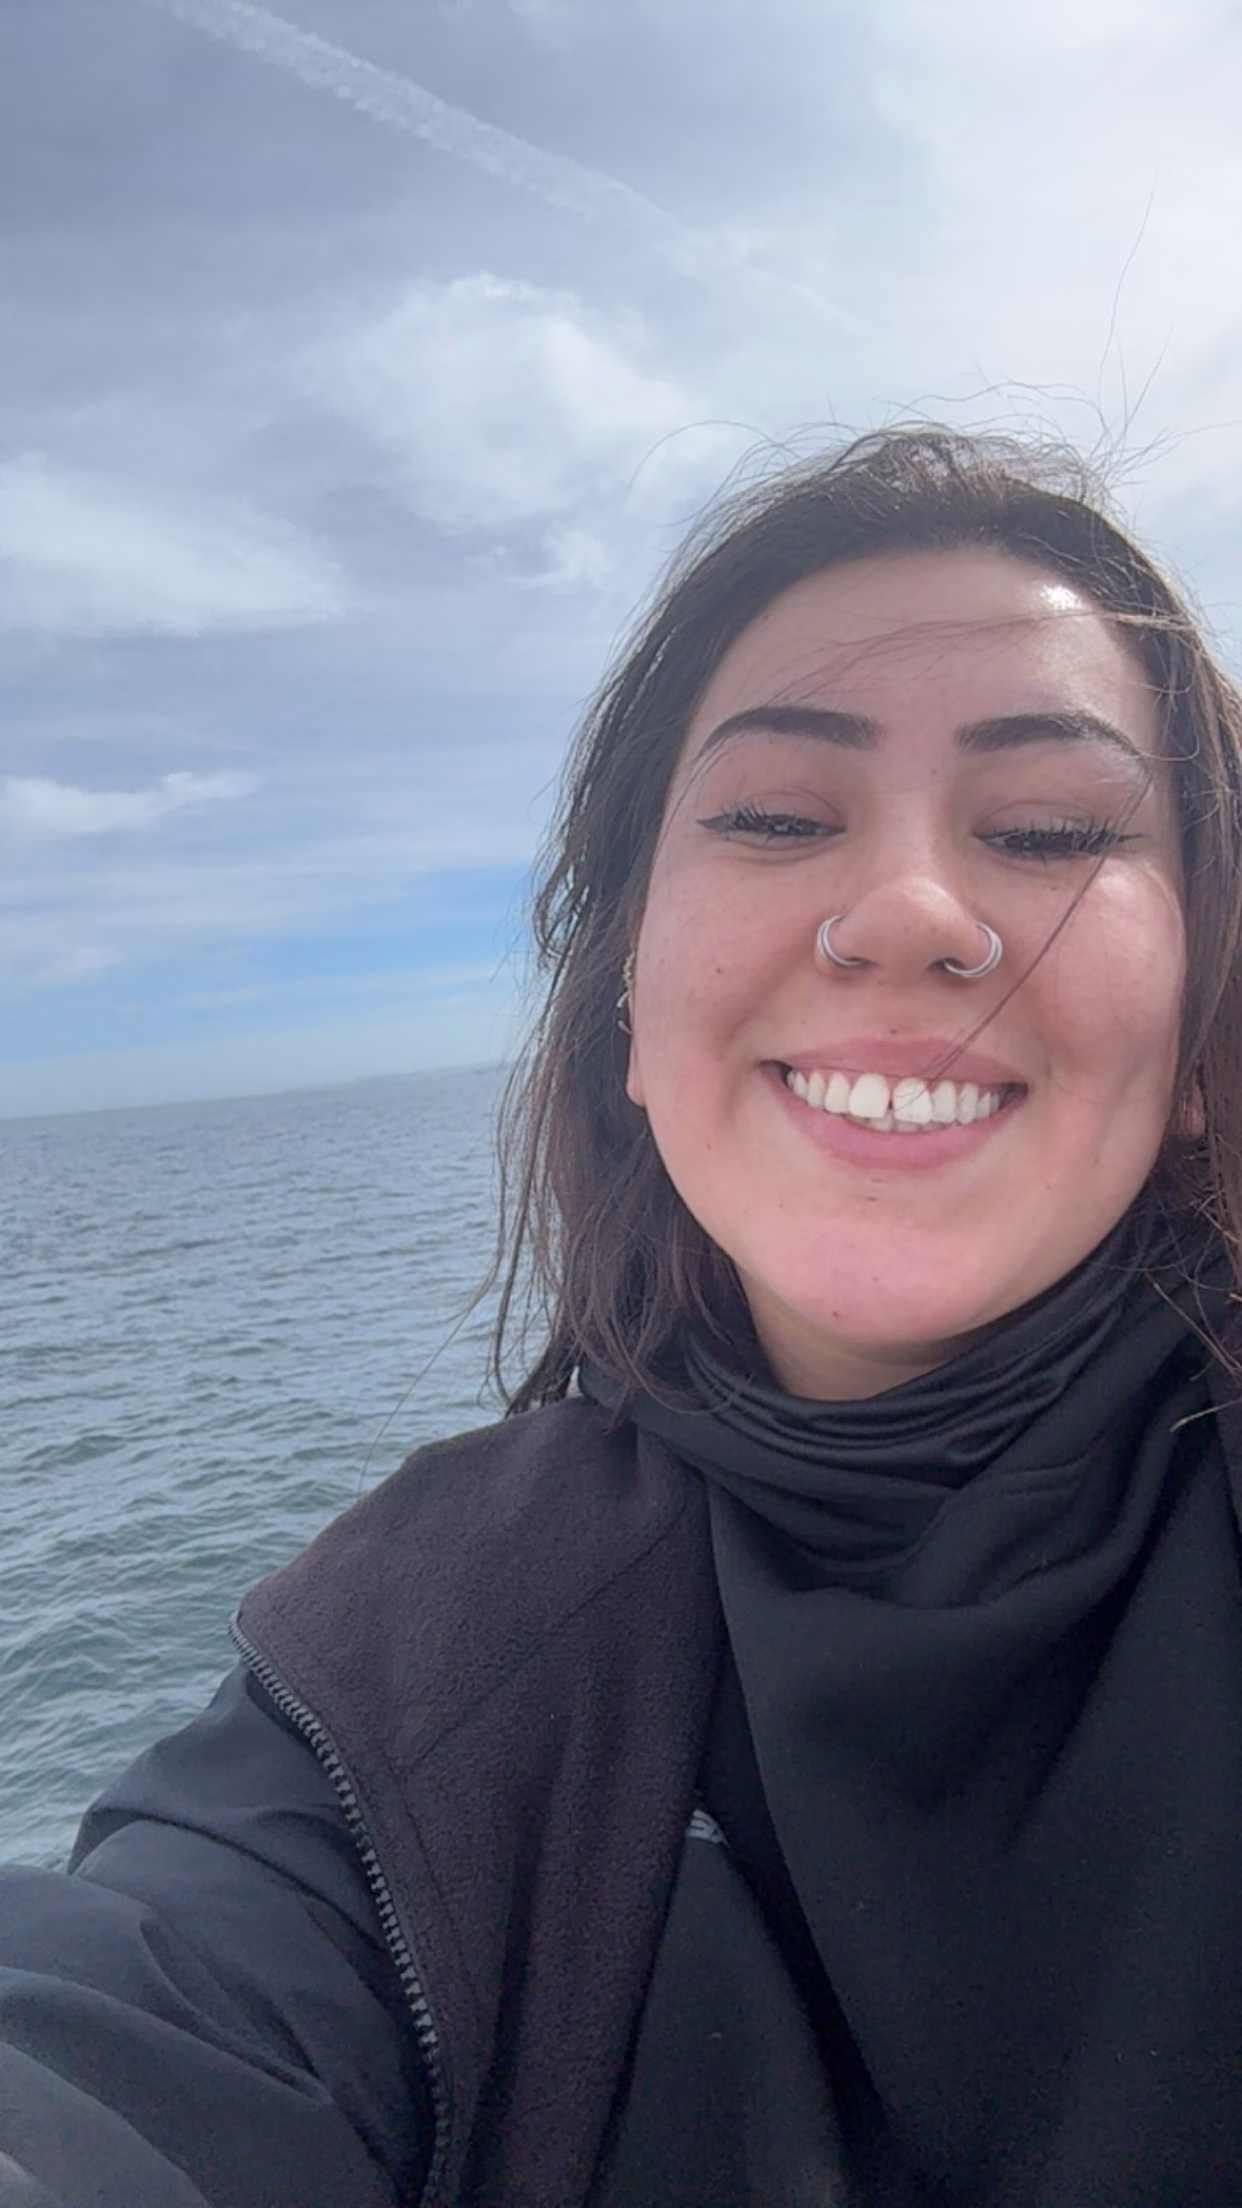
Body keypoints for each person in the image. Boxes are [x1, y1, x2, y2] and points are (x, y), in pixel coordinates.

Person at [4, 426, 1242, 2208]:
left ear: (1200, 1032)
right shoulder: (419, 1650)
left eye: (1048, 829)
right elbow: (124, 2032)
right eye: (774, 818)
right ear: (628, 1012)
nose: (906, 911)